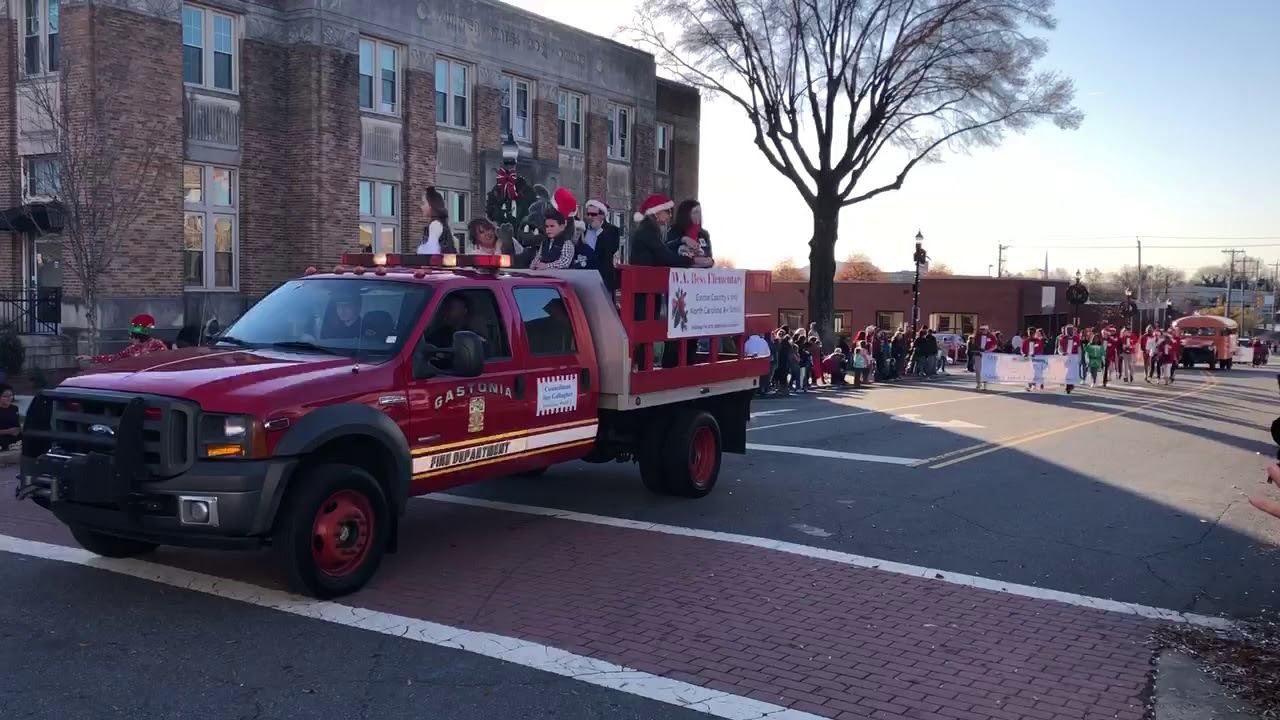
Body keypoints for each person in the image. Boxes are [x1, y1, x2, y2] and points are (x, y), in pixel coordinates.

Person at [627, 194, 710, 268]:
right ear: (657, 212)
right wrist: (692, 260)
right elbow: (666, 257)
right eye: (667, 211)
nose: (670, 215)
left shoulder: (649, 228)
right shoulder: (647, 231)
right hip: (643, 278)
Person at [79, 314, 169, 364]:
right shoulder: (131, 349)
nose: (130, 339)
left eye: (132, 336)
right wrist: (91, 358)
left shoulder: (157, 345)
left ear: (140, 336)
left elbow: (164, 363)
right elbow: (115, 358)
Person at [583, 199, 622, 292]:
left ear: (602, 216)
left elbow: (611, 249)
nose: (590, 217)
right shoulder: (583, 229)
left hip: (603, 276)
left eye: (593, 214)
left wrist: (599, 231)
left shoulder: (612, 230)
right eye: (588, 214)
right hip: (585, 275)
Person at [666, 200, 714, 265]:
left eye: (700, 212)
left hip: (700, 273)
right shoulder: (674, 230)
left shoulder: (704, 233)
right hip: (679, 272)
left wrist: (710, 261)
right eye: (695, 212)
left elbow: (709, 255)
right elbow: (667, 250)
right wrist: (682, 239)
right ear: (686, 214)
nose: (699, 215)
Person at [417, 186, 456, 254]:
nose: (421, 207)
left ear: (431, 206)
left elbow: (431, 250)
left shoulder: (435, 224)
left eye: (423, 203)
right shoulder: (441, 223)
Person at [0, 384, 20, 451]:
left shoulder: (14, 408)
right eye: (5, 396)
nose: (9, 398)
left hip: (14, 437)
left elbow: (17, 425)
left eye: (11, 396)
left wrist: (18, 430)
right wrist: (8, 431)